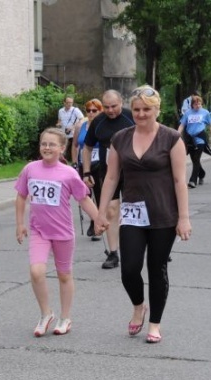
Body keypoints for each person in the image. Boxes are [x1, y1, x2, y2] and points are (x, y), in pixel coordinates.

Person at [95, 86, 192, 344]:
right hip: (132, 213)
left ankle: (155, 324)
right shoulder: (120, 138)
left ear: (157, 109)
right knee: (129, 269)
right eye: (136, 109)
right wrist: (101, 212)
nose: (140, 114)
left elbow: (179, 180)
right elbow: (111, 178)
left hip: (163, 214)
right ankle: (139, 306)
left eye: (146, 109)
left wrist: (184, 218)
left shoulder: (171, 138)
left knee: (156, 268)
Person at [15, 128, 100, 336]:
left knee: (64, 275)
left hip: (62, 232)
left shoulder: (69, 173)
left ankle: (65, 317)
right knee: (36, 272)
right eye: (44, 144)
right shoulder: (30, 169)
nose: (47, 148)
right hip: (39, 231)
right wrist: (20, 224)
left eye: (52, 144)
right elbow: (21, 196)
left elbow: (83, 199)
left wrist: (98, 219)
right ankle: (46, 313)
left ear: (62, 148)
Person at [82, 90, 135, 269]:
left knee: (135, 210)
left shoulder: (131, 117)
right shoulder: (98, 121)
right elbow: (87, 148)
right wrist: (86, 172)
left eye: (114, 106)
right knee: (111, 210)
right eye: (106, 107)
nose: (110, 110)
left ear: (121, 102)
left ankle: (151, 246)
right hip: (108, 172)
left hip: (132, 171)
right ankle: (113, 253)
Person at [176, 94, 211, 188]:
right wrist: (177, 135)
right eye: (196, 104)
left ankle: (192, 180)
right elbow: (182, 125)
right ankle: (201, 173)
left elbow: (210, 125)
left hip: (200, 138)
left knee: (197, 158)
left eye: (199, 104)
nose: (198, 106)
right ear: (192, 105)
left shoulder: (205, 113)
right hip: (190, 139)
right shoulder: (188, 113)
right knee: (194, 159)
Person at [76, 98, 103, 239]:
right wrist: (75, 163)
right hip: (83, 164)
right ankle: (94, 218)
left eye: (94, 110)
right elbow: (75, 145)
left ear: (100, 111)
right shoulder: (81, 126)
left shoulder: (103, 126)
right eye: (88, 110)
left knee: (99, 194)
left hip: (99, 163)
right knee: (84, 194)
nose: (91, 113)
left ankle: (96, 224)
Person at [56, 95, 84, 163]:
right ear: (64, 102)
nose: (69, 104)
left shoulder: (75, 110)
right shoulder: (60, 111)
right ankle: (62, 162)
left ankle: (75, 163)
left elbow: (82, 119)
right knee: (62, 149)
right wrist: (58, 124)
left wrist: (73, 127)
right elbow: (59, 120)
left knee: (74, 149)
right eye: (68, 102)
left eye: (71, 102)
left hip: (73, 134)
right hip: (63, 133)